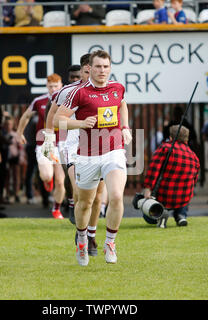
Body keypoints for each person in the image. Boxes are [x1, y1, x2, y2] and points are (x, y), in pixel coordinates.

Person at [54, 50, 132, 266]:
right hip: (87, 155)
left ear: (110, 68)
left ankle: (110, 242)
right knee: (85, 203)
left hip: (114, 150)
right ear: (89, 68)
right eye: (98, 67)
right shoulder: (78, 93)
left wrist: (125, 127)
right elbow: (58, 120)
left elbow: (122, 103)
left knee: (115, 196)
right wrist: (80, 123)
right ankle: (81, 239)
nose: (102, 71)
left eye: (106, 67)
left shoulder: (117, 87)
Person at [46, 54, 105, 256]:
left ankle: (91, 235)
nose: (94, 74)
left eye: (97, 70)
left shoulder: (108, 89)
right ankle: (80, 229)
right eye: (89, 71)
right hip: (73, 145)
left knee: (98, 197)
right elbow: (52, 117)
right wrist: (48, 141)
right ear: (83, 70)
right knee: (81, 191)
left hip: (99, 145)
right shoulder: (68, 92)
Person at [17, 73, 65, 219]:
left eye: (56, 86)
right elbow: (26, 116)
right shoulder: (40, 101)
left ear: (61, 86)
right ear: (47, 87)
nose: (53, 89)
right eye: (50, 86)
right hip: (45, 143)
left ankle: (56, 209)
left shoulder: (68, 100)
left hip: (62, 143)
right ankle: (46, 180)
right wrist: (20, 133)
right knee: (46, 175)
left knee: (60, 181)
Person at [143, 125, 200, 227]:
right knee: (184, 194)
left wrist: (148, 188)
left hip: (163, 196)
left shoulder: (165, 148)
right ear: (186, 139)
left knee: (146, 213)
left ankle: (159, 214)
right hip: (183, 197)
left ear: (170, 137)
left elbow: (153, 169)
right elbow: (194, 180)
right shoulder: (194, 156)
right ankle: (181, 215)